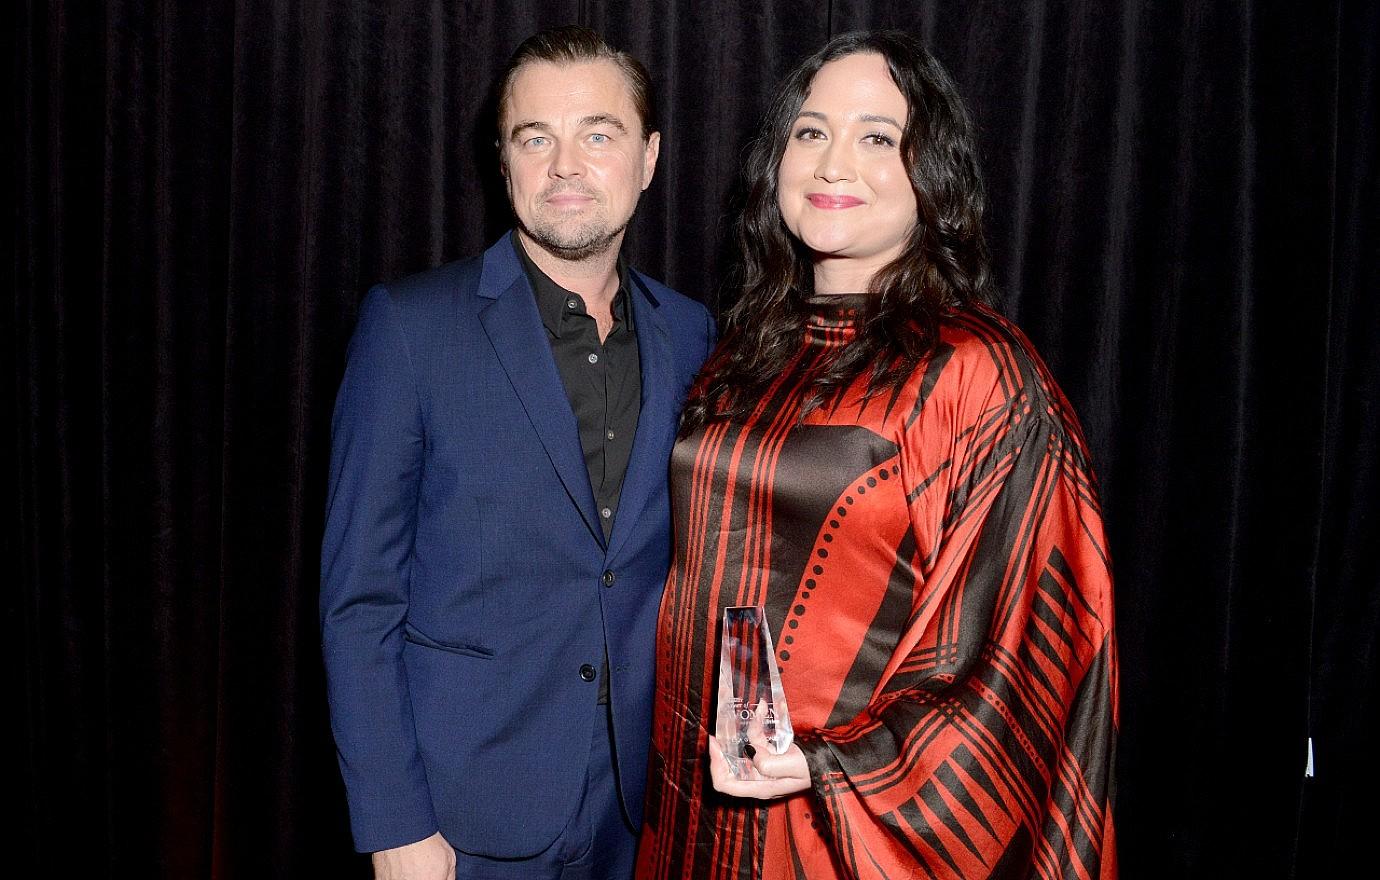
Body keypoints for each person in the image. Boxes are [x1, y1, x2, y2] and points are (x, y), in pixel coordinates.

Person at [636, 30, 1117, 880]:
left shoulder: (975, 370)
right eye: (811, 131)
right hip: (691, 819)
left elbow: (1031, 652)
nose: (831, 164)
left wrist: (828, 767)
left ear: (934, 175)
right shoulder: (747, 350)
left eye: (877, 138)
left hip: (843, 835)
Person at [320, 25, 716, 880]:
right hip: (460, 821)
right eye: (535, 137)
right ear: (504, 164)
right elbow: (359, 600)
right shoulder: (410, 328)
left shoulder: (693, 334)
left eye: (598, 134)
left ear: (649, 157)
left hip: (638, 813)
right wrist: (395, 828)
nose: (566, 165)